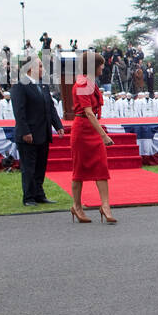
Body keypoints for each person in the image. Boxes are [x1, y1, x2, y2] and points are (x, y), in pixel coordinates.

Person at [68, 52, 116, 224]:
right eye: (100, 64)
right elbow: (88, 112)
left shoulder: (90, 83)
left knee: (101, 168)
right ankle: (77, 206)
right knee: (79, 170)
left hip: (93, 129)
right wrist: (103, 135)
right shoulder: (82, 84)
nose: (103, 67)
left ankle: (105, 206)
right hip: (82, 130)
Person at [12, 56, 64, 206]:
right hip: (29, 134)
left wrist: (58, 125)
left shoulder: (43, 86)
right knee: (29, 167)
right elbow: (19, 111)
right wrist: (25, 131)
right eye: (40, 66)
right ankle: (28, 197)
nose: (43, 69)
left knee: (41, 166)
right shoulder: (20, 85)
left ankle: (39, 194)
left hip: (43, 132)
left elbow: (50, 108)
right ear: (30, 68)